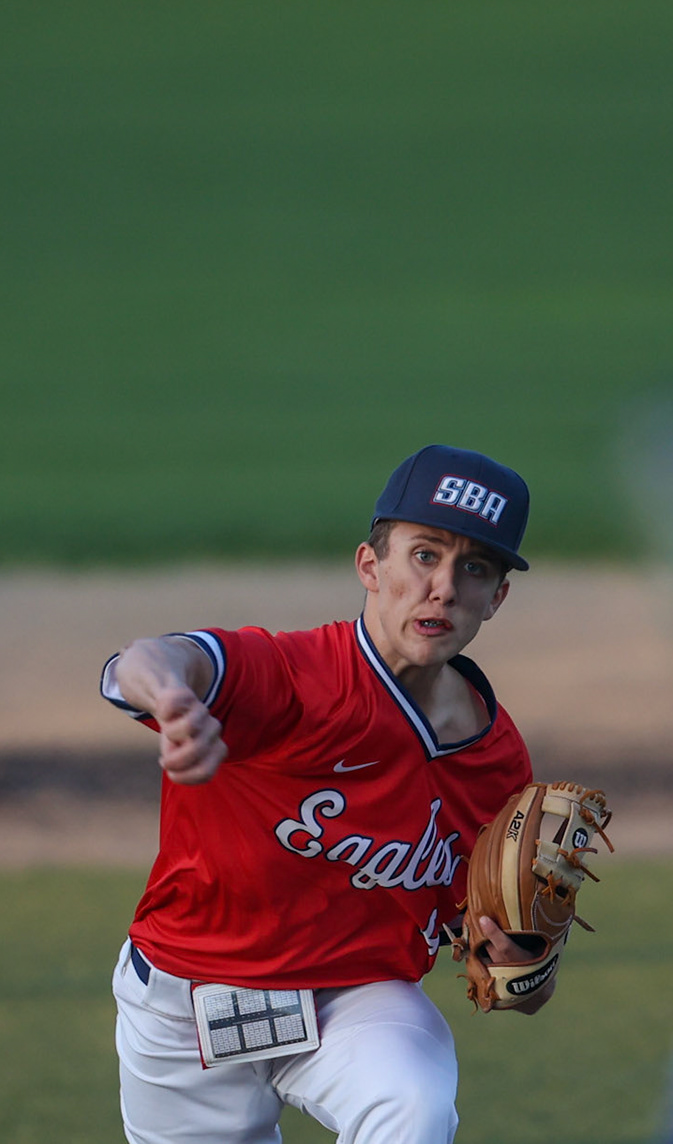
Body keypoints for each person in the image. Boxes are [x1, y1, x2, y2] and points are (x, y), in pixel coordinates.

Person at [99, 444, 550, 1144]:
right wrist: (174, 701)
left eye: (475, 567)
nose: (444, 588)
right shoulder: (297, 676)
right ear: (371, 566)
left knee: (411, 1104)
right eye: (424, 554)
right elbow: (148, 658)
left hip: (355, 1004)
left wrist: (523, 968)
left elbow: (501, 960)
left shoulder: (497, 762)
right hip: (189, 1007)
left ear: (497, 596)